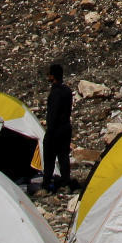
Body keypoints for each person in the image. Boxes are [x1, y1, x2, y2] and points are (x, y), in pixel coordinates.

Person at [42, 63, 73, 192]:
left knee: (49, 158)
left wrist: (49, 131)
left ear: (52, 76)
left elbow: (53, 114)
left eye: (49, 74)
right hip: (66, 128)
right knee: (63, 157)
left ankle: (46, 185)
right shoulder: (67, 91)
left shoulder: (55, 93)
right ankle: (66, 183)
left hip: (55, 130)